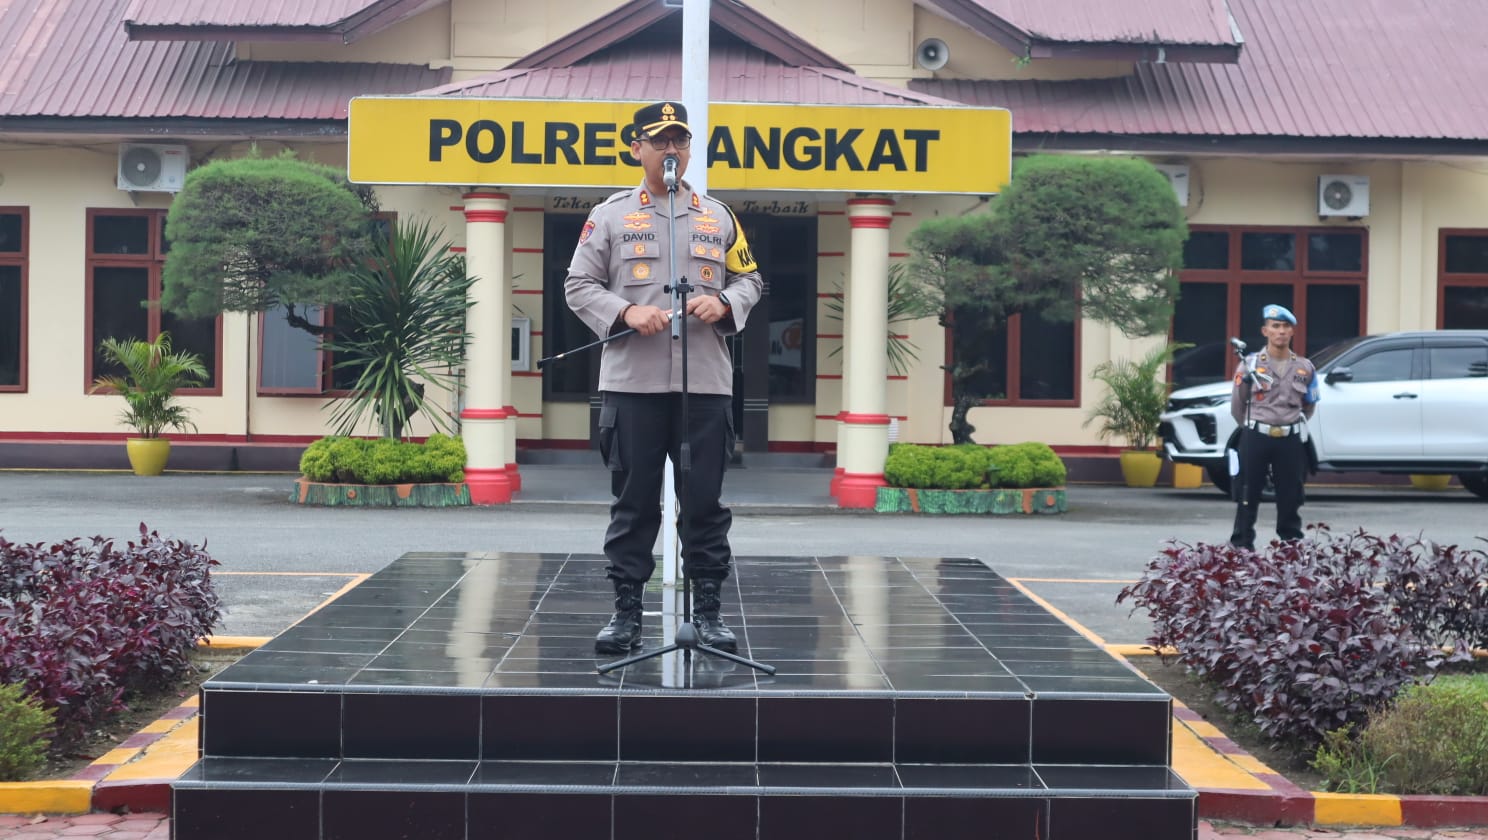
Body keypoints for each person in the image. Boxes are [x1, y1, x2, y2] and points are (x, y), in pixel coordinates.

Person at [565, 101, 763, 655]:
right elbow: (578, 285)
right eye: (660, 141)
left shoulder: (717, 216)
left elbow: (750, 279)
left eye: (680, 140)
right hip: (634, 384)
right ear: (637, 149)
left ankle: (708, 614)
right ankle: (627, 613)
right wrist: (625, 312)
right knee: (634, 504)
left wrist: (725, 302)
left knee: (704, 504)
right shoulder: (610, 216)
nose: (671, 150)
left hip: (704, 384)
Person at [1229, 304, 1320, 550]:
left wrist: (1289, 423)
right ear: (1265, 331)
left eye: (1286, 327)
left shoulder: (1305, 367)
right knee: (1248, 493)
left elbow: (1309, 405)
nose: (1281, 331)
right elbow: (1238, 404)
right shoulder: (1250, 365)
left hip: (1289, 438)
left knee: (1291, 495)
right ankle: (1242, 547)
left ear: (1292, 331)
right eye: (1275, 326)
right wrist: (1253, 427)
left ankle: (1290, 548)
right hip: (1257, 435)